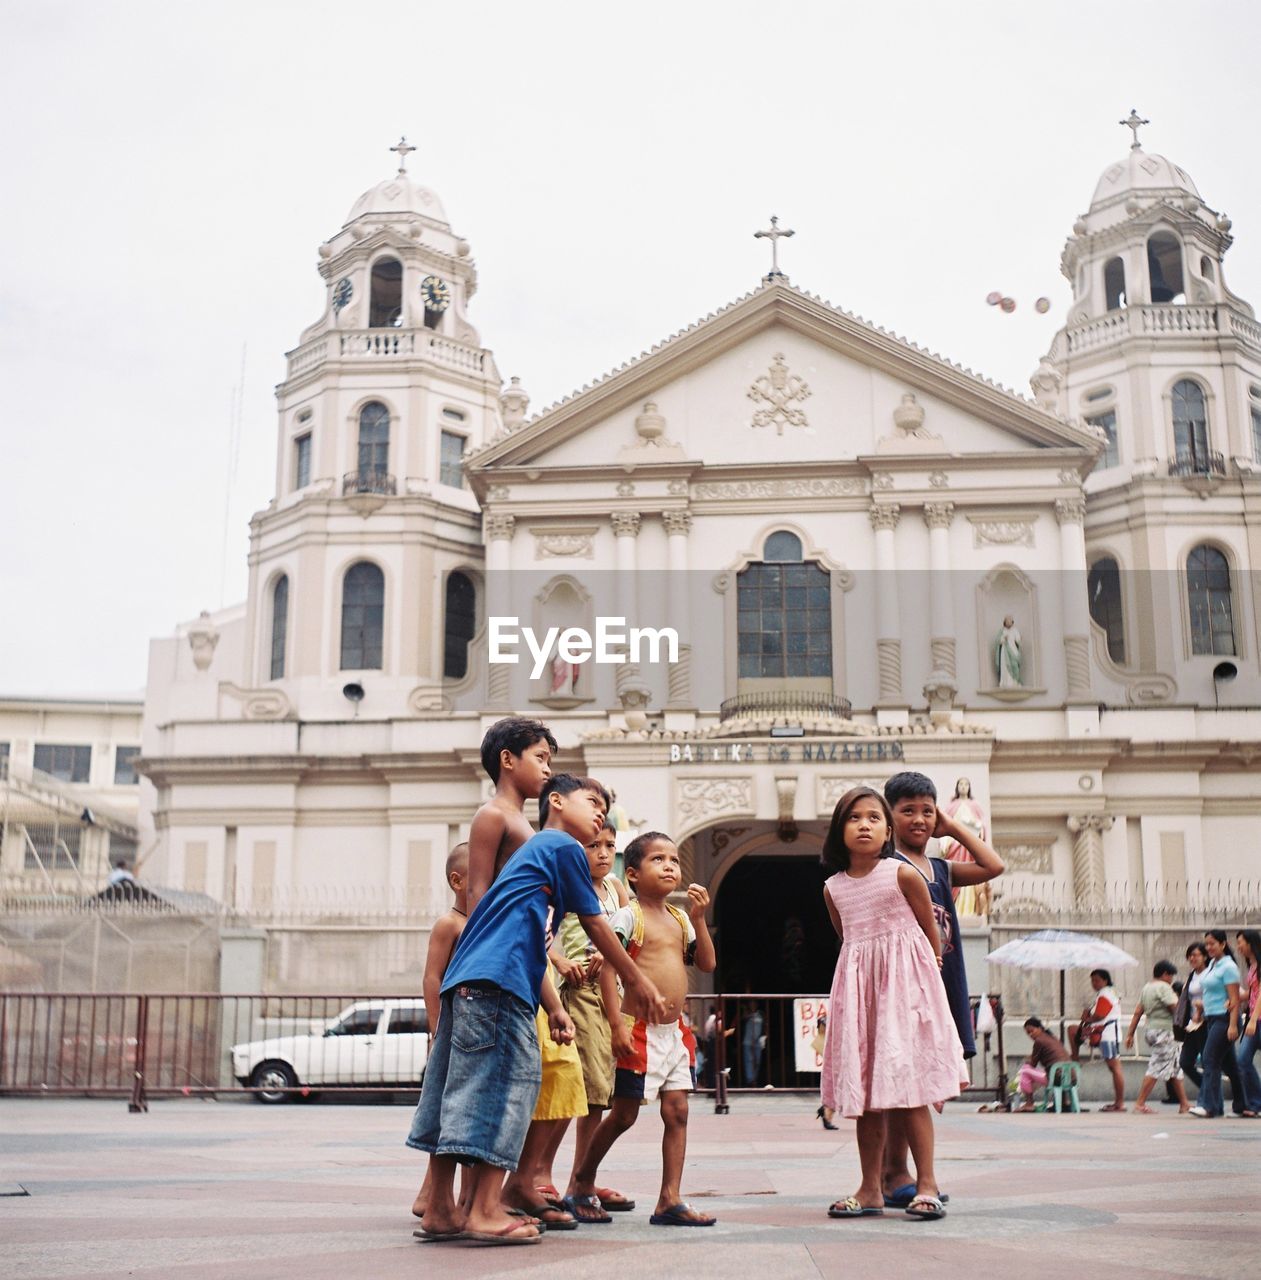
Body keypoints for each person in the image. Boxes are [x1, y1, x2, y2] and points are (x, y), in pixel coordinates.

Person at [406, 774, 666, 1247]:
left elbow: (535, 942)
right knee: (508, 1090)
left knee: (456, 1092)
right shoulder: (560, 845)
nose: (599, 813)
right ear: (557, 803)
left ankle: (441, 1207)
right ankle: (485, 1208)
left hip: (476, 980)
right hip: (497, 983)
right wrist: (636, 977)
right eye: (592, 803)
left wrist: (552, 1004)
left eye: (605, 812)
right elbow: (595, 924)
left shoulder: (544, 859)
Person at [818, 786, 967, 1222]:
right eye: (853, 818)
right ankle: (869, 1189)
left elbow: (930, 933)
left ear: (887, 830)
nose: (864, 825)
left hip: (905, 991)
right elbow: (849, 939)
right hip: (862, 992)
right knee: (866, 1094)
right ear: (838, 830)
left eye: (873, 818)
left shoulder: (902, 875)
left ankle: (927, 1184)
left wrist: (920, 984)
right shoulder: (833, 888)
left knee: (910, 1088)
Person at [570, 831, 718, 1227]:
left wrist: (701, 920)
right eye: (659, 859)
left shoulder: (679, 917)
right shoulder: (627, 916)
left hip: (675, 1033)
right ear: (633, 874)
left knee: (678, 1111)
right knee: (623, 1115)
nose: (670, 865)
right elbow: (605, 967)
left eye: (674, 859)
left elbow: (705, 964)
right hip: (638, 1031)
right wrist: (616, 1024)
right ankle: (582, 1180)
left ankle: (670, 1198)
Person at [879, 771, 1005, 1207]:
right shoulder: (885, 868)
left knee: (918, 1080)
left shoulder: (940, 866)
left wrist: (953, 827)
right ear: (889, 816)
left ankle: (899, 1172)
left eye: (927, 811)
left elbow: (994, 866)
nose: (919, 819)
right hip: (904, 985)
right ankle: (895, 1172)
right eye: (907, 810)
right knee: (904, 1081)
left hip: (940, 978)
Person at [536, 818, 635, 1221]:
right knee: (589, 1090)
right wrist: (560, 960)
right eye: (593, 846)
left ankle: (585, 1177)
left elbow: (634, 930)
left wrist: (612, 951)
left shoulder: (614, 889)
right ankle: (572, 1180)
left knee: (606, 1089)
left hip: (616, 995)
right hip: (579, 993)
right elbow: (540, 938)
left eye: (609, 846)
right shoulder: (566, 886)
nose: (602, 853)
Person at [411, 843, 470, 1219]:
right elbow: (432, 977)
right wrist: (436, 1028)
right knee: (448, 1111)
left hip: (473, 1027)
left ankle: (450, 1195)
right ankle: (433, 1195)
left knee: (466, 1112)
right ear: (457, 880)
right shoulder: (450, 924)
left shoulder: (483, 920)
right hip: (453, 1026)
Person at [1188, 929, 1246, 1118]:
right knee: (1230, 1066)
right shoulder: (1213, 964)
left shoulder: (1228, 967)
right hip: (1211, 1018)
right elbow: (1211, 993)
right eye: (1207, 944)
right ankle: (1241, 1105)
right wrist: (1200, 1010)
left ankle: (1209, 1106)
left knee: (1209, 1059)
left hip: (1224, 1019)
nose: (1209, 947)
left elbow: (1234, 998)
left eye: (1213, 943)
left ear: (1223, 944)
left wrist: (1232, 1025)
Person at [1124, 960, 1190, 1115]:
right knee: (1156, 1066)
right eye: (1171, 976)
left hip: (1152, 1030)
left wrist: (1130, 1034)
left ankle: (1184, 1103)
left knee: (1174, 1067)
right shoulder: (1163, 987)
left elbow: (1137, 1012)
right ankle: (1140, 1103)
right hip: (1166, 1031)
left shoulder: (1147, 988)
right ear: (1165, 974)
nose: (1171, 980)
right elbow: (1176, 1007)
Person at [1068, 969, 1125, 1111]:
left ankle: (1119, 1103)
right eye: (1092, 980)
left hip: (1108, 1035)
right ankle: (1074, 1058)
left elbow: (1100, 1015)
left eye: (1097, 980)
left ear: (1105, 980)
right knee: (1072, 1030)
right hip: (1105, 1033)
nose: (1094, 983)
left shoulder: (1105, 993)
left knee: (1115, 1067)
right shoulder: (1108, 993)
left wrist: (1087, 1018)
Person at [938, 777, 992, 917]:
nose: (963, 787)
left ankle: (969, 910)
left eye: (966, 784)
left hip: (969, 845)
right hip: (955, 845)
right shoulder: (952, 806)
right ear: (957, 787)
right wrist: (946, 841)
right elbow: (945, 825)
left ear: (969, 787)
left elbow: (982, 828)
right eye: (961, 784)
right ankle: (954, 909)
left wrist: (973, 825)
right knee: (955, 875)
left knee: (970, 876)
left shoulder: (974, 806)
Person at [1175, 942, 1209, 1092]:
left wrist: (1200, 1011)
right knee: (1185, 1062)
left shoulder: (1210, 974)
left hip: (1207, 1022)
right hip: (1192, 1024)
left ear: (1205, 956)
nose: (1192, 958)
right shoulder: (1192, 975)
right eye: (1190, 956)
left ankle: (1209, 1099)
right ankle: (1207, 1091)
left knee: (1211, 1063)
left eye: (1196, 955)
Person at [1234, 929, 1261, 1116]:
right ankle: (1256, 1103)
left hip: (1257, 1020)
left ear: (1250, 942)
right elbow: (1252, 993)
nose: (1238, 946)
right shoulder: (1252, 965)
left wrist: (1252, 1020)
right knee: (1242, 1061)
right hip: (1253, 1019)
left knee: (1242, 1060)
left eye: (1240, 942)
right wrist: (1235, 999)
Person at [1017, 1017, 1070, 1110]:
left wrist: (1028, 1060)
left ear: (1040, 1028)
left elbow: (1033, 1064)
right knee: (1055, 1070)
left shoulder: (1039, 1041)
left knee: (1024, 1070)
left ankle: (1029, 1104)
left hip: (1056, 1077)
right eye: (1028, 1033)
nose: (1030, 1035)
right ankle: (1063, 1101)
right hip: (1070, 1076)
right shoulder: (1053, 1038)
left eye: (1031, 1031)